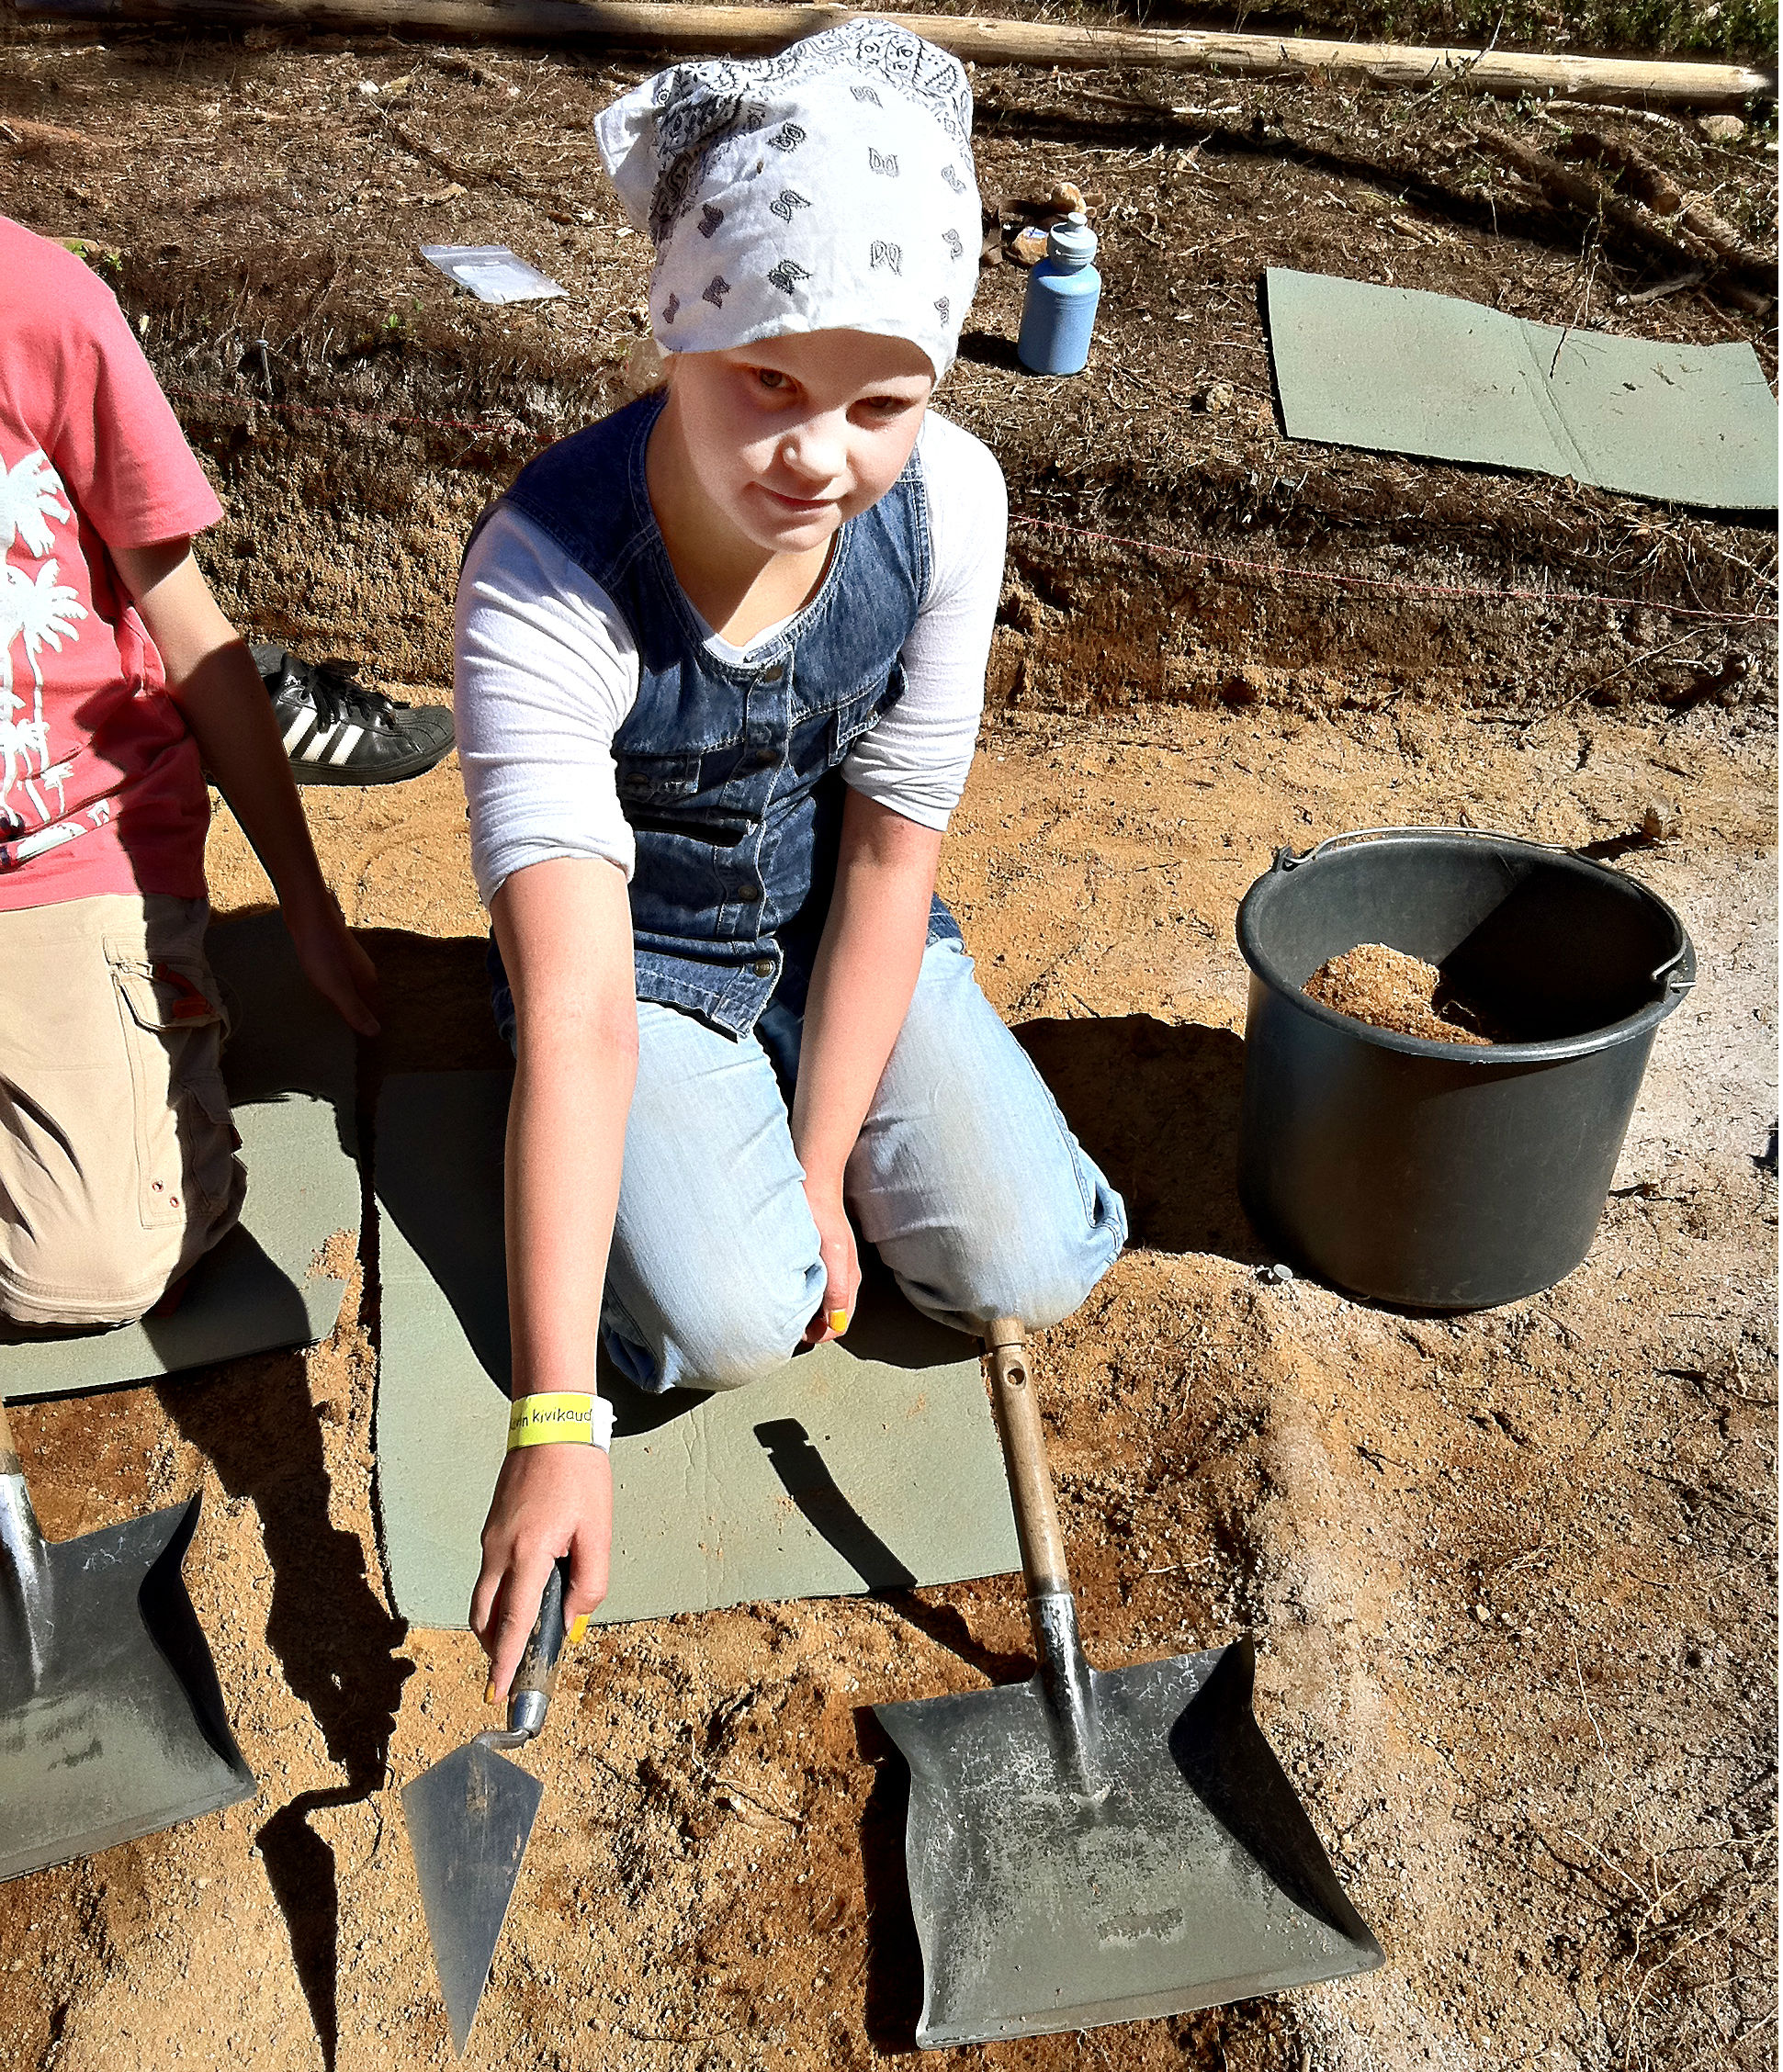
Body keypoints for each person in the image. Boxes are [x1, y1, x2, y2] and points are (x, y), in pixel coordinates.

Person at [455, 22, 1127, 1700]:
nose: (822, 454)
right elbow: (588, 1010)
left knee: (1026, 1262)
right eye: (766, 377)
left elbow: (894, 862)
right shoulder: (544, 581)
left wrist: (824, 1163)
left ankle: (768, 1129)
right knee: (739, 1318)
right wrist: (556, 1418)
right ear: (678, 327)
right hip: (637, 963)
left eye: (880, 400)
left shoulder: (950, 507)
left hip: (840, 922)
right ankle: (611, 1203)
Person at [0, 215, 379, 1330]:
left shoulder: (41, 303)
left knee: (86, 1270)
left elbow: (186, 619)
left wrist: (305, 907)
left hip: (63, 836)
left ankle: (169, 1127)